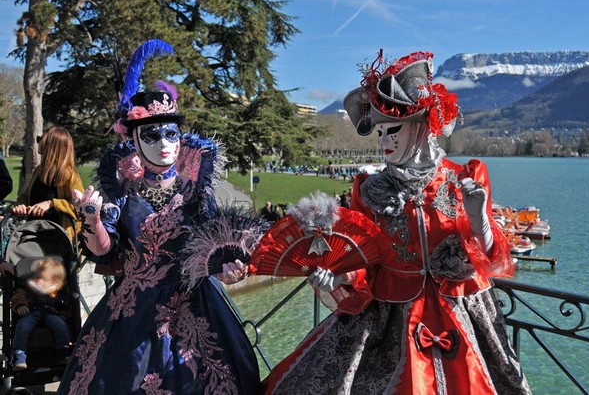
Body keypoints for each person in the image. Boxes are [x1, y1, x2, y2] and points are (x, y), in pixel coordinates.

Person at [261, 51, 531, 394]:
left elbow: (491, 258)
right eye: (379, 133)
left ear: (420, 128)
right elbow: (362, 260)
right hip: (389, 321)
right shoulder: (368, 190)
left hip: (464, 312)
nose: (384, 141)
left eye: (393, 131)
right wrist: (337, 275)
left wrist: (478, 218)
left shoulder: (466, 178)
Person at [57, 40, 260, 394]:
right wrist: (91, 220)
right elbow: (103, 249)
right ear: (133, 141)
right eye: (151, 134)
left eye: (171, 132)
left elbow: (215, 245)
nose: (164, 142)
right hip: (132, 309)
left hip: (195, 307)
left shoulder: (196, 193)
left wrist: (229, 269)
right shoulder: (123, 193)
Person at [11, 127, 84, 241]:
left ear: (52, 146)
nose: (38, 141)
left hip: (59, 240)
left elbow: (81, 207)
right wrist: (21, 206)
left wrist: (51, 204)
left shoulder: (69, 175)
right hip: (33, 233)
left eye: (41, 139)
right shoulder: (39, 170)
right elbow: (25, 197)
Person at [10, 257, 71, 370]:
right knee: (23, 325)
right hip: (31, 311)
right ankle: (19, 356)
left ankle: (63, 351)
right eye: (37, 277)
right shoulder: (28, 287)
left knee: (59, 324)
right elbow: (18, 296)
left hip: (51, 313)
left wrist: (64, 315)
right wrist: (20, 305)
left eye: (43, 279)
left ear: (54, 282)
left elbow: (66, 305)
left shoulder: (57, 292)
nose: (38, 281)